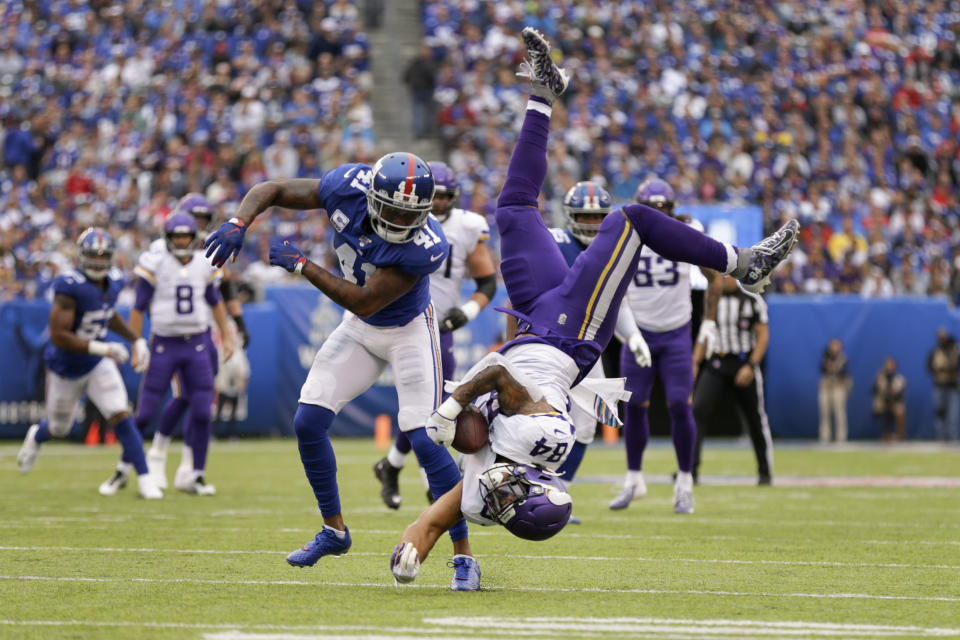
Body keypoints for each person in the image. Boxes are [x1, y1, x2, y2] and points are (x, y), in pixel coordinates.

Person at [389, 27, 799, 586]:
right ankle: (742, 262)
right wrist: (451, 406)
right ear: (531, 486)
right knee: (629, 219)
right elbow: (501, 377)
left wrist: (407, 555)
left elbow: (432, 520)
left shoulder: (486, 495)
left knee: (511, 207)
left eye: (504, 497)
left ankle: (543, 92)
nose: (501, 490)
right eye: (513, 492)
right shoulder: (541, 444)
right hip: (568, 337)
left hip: (535, 317)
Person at [202, 151, 480, 591]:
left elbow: (365, 299)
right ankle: (334, 531)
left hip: (407, 327)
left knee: (426, 440)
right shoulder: (344, 186)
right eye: (391, 208)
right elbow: (271, 190)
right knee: (308, 421)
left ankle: (464, 557)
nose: (399, 220)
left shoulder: (428, 244)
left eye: (410, 214)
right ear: (371, 195)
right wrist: (240, 222)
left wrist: (301, 265)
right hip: (361, 330)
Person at [373, 161, 497, 510]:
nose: (439, 202)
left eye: (445, 196)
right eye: (435, 195)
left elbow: (487, 280)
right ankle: (409, 473)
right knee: (427, 405)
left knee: (432, 404)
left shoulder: (467, 226)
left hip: (435, 326)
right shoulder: (397, 218)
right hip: (392, 317)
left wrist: (467, 311)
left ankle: (397, 468)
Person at [16, 228, 162, 499]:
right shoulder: (69, 286)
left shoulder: (115, 281)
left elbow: (106, 314)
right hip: (65, 368)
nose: (97, 261)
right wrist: (104, 347)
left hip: (96, 364)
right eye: (92, 256)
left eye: (103, 256)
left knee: (120, 413)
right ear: (81, 257)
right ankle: (37, 436)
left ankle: (144, 478)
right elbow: (59, 336)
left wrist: (135, 339)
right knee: (59, 428)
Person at [99, 213, 235, 497]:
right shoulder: (155, 262)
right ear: (168, 238)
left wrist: (227, 335)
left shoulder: (204, 263)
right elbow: (137, 307)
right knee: (145, 411)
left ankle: (195, 475)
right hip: (164, 344)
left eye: (187, 236)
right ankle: (123, 470)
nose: (183, 241)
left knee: (201, 410)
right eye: (178, 237)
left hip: (197, 342)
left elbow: (215, 301)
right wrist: (137, 343)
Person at [609, 177, 722, 515]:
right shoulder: (626, 234)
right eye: (652, 210)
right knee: (635, 407)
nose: (659, 215)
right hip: (639, 331)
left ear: (672, 210)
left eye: (664, 209)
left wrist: (710, 322)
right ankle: (633, 479)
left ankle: (685, 483)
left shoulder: (686, 230)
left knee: (680, 405)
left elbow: (715, 275)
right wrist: (625, 331)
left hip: (675, 332)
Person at [142, 194, 250, 491]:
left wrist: (237, 325)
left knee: (202, 399)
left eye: (203, 220)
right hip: (173, 334)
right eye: (194, 219)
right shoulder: (162, 249)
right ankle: (158, 453)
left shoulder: (212, 246)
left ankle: (191, 468)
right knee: (184, 396)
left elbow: (224, 287)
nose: (198, 225)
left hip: (204, 331)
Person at [692, 274, 774, 485]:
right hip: (717, 363)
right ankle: (689, 470)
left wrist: (751, 366)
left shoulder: (752, 299)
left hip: (743, 363)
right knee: (697, 411)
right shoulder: (712, 297)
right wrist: (694, 362)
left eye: (723, 276)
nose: (719, 280)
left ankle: (765, 472)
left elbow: (763, 336)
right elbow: (705, 332)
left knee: (756, 419)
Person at [927, 328, 959, 441]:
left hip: (952, 385)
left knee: (953, 412)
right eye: (940, 337)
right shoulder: (935, 351)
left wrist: (951, 366)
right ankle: (941, 436)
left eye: (944, 336)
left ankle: (952, 436)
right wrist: (938, 369)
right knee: (940, 411)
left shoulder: (954, 350)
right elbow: (929, 367)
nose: (942, 339)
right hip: (939, 385)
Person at [819, 338, 852, 443]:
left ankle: (841, 437)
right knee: (825, 412)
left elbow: (843, 373)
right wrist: (830, 365)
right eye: (833, 345)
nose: (834, 348)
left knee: (840, 412)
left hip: (838, 387)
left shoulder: (843, 358)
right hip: (826, 387)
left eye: (837, 345)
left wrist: (834, 368)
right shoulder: (825, 357)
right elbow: (822, 369)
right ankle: (825, 437)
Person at [873, 357, 906, 441]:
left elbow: (899, 395)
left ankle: (900, 435)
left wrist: (891, 393)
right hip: (883, 404)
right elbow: (874, 391)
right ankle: (885, 434)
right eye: (888, 365)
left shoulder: (899, 378)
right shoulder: (881, 378)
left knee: (899, 409)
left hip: (894, 403)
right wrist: (878, 380)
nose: (889, 367)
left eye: (891, 365)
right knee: (880, 406)